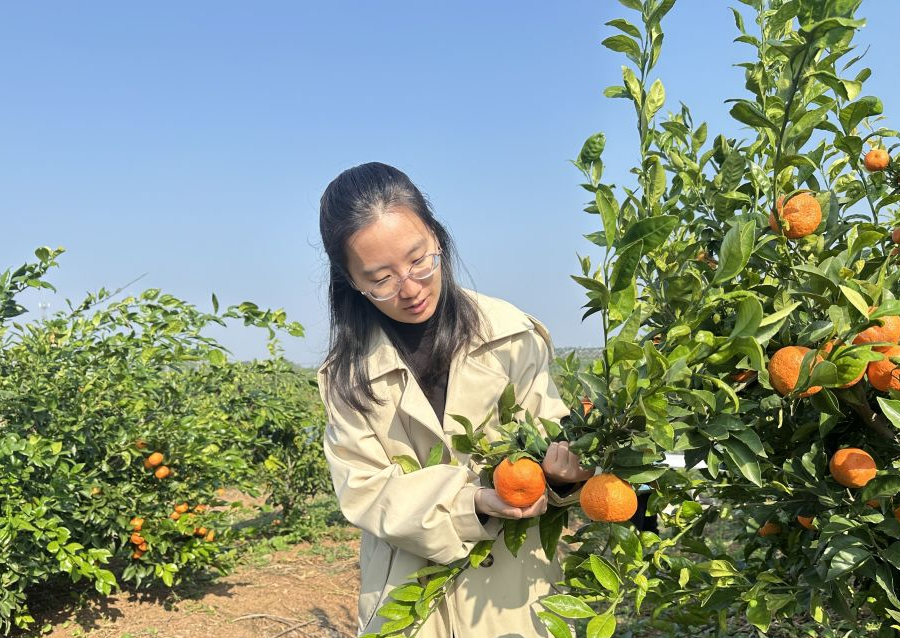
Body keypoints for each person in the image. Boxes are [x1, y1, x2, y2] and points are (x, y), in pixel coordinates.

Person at [317, 162, 593, 637]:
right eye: (380, 278)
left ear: (438, 237)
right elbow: (365, 489)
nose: (410, 288)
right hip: (407, 595)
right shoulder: (348, 376)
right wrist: (474, 502)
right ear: (350, 281)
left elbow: (551, 437)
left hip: (513, 593)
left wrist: (564, 479)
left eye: (419, 259)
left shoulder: (510, 335)